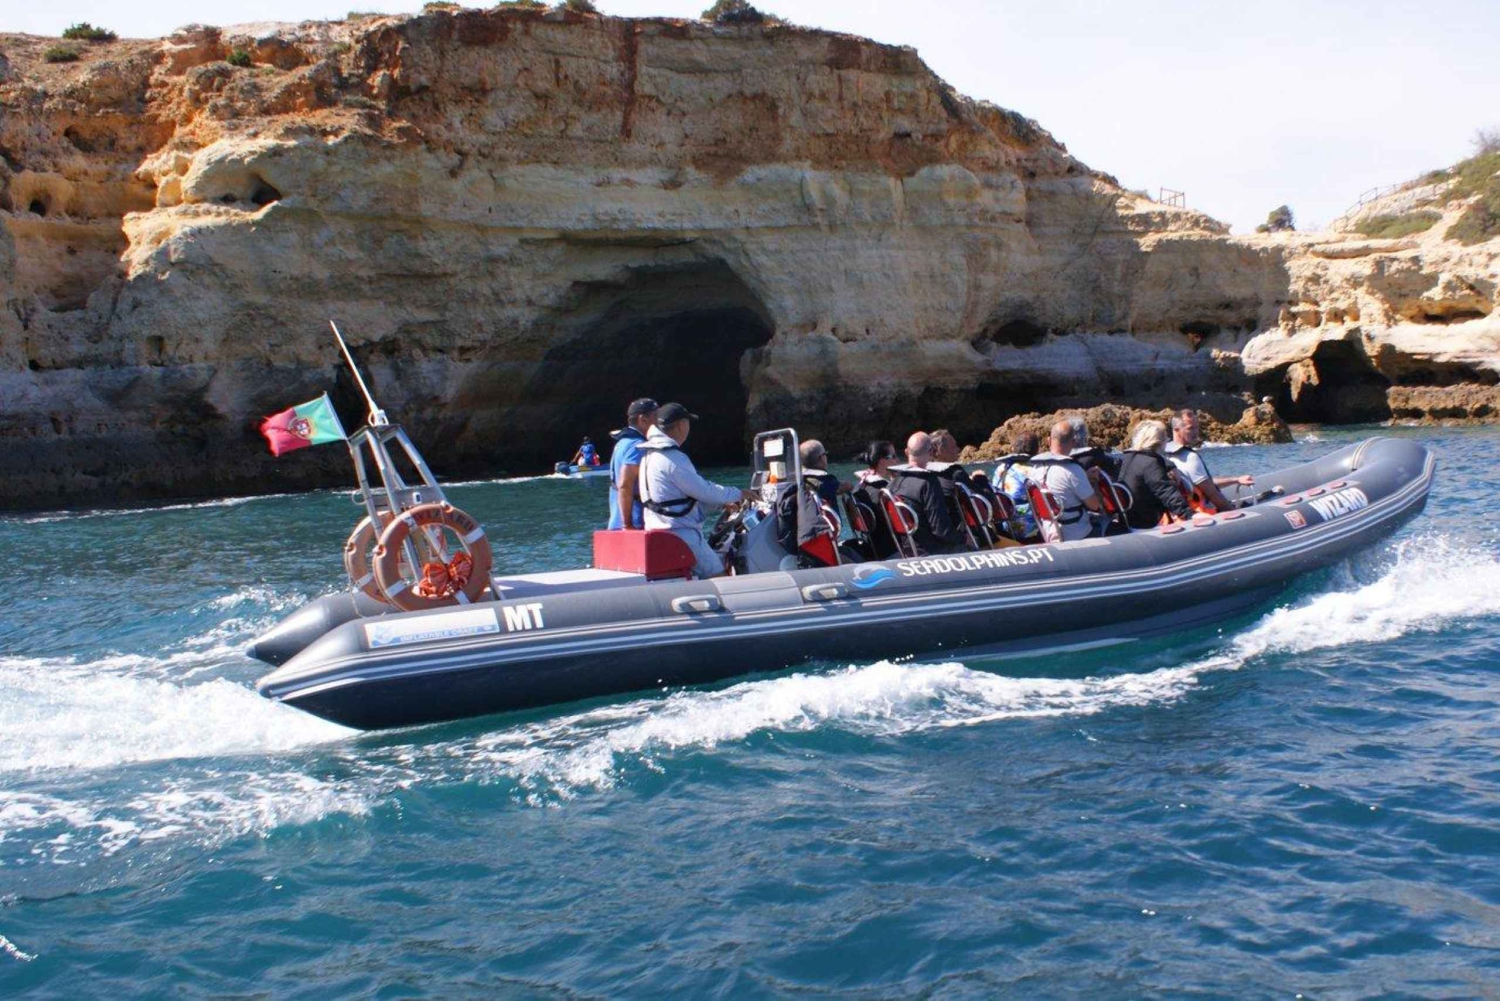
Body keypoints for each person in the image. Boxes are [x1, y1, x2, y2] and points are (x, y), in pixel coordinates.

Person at [638, 403, 756, 579]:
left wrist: (720, 506)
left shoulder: (649, 456)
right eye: (688, 423)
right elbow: (704, 490)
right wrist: (740, 493)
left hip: (660, 530)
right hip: (681, 534)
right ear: (680, 425)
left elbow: (672, 500)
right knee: (720, 576)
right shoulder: (672, 457)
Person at [888, 432, 967, 555]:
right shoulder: (928, 483)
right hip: (931, 552)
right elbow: (941, 530)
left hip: (907, 551)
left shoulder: (892, 484)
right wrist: (965, 538)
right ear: (930, 452)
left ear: (906, 452)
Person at [1165, 409, 1254, 513]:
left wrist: (1236, 479)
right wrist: (1235, 514)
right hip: (1206, 515)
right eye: (1191, 429)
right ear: (1176, 430)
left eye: (1197, 428)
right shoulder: (1190, 457)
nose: (1196, 433)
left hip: (1183, 515)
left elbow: (1203, 482)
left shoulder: (1165, 454)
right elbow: (1213, 494)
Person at [1029, 420, 1102, 543]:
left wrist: (1084, 476)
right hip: (1077, 534)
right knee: (1107, 526)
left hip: (1048, 531)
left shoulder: (1035, 469)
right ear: (1073, 442)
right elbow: (1095, 506)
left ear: (1048, 440)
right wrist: (1094, 482)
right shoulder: (1073, 470)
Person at [1118, 420, 1193, 530]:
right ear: (1159, 442)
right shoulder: (1151, 464)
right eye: (1166, 440)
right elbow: (1166, 491)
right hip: (1145, 525)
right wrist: (1190, 515)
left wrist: (1169, 465)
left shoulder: (1126, 459)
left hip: (1128, 521)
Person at [607, 398, 658, 530]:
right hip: (632, 523)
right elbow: (625, 484)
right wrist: (627, 525)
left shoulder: (622, 442)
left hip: (616, 520)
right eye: (656, 416)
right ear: (643, 420)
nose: (659, 421)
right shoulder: (636, 445)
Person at [994, 431, 1041, 542]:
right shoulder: (1031, 471)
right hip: (1028, 531)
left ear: (1013, 449)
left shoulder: (1000, 469)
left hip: (1005, 526)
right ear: (1036, 450)